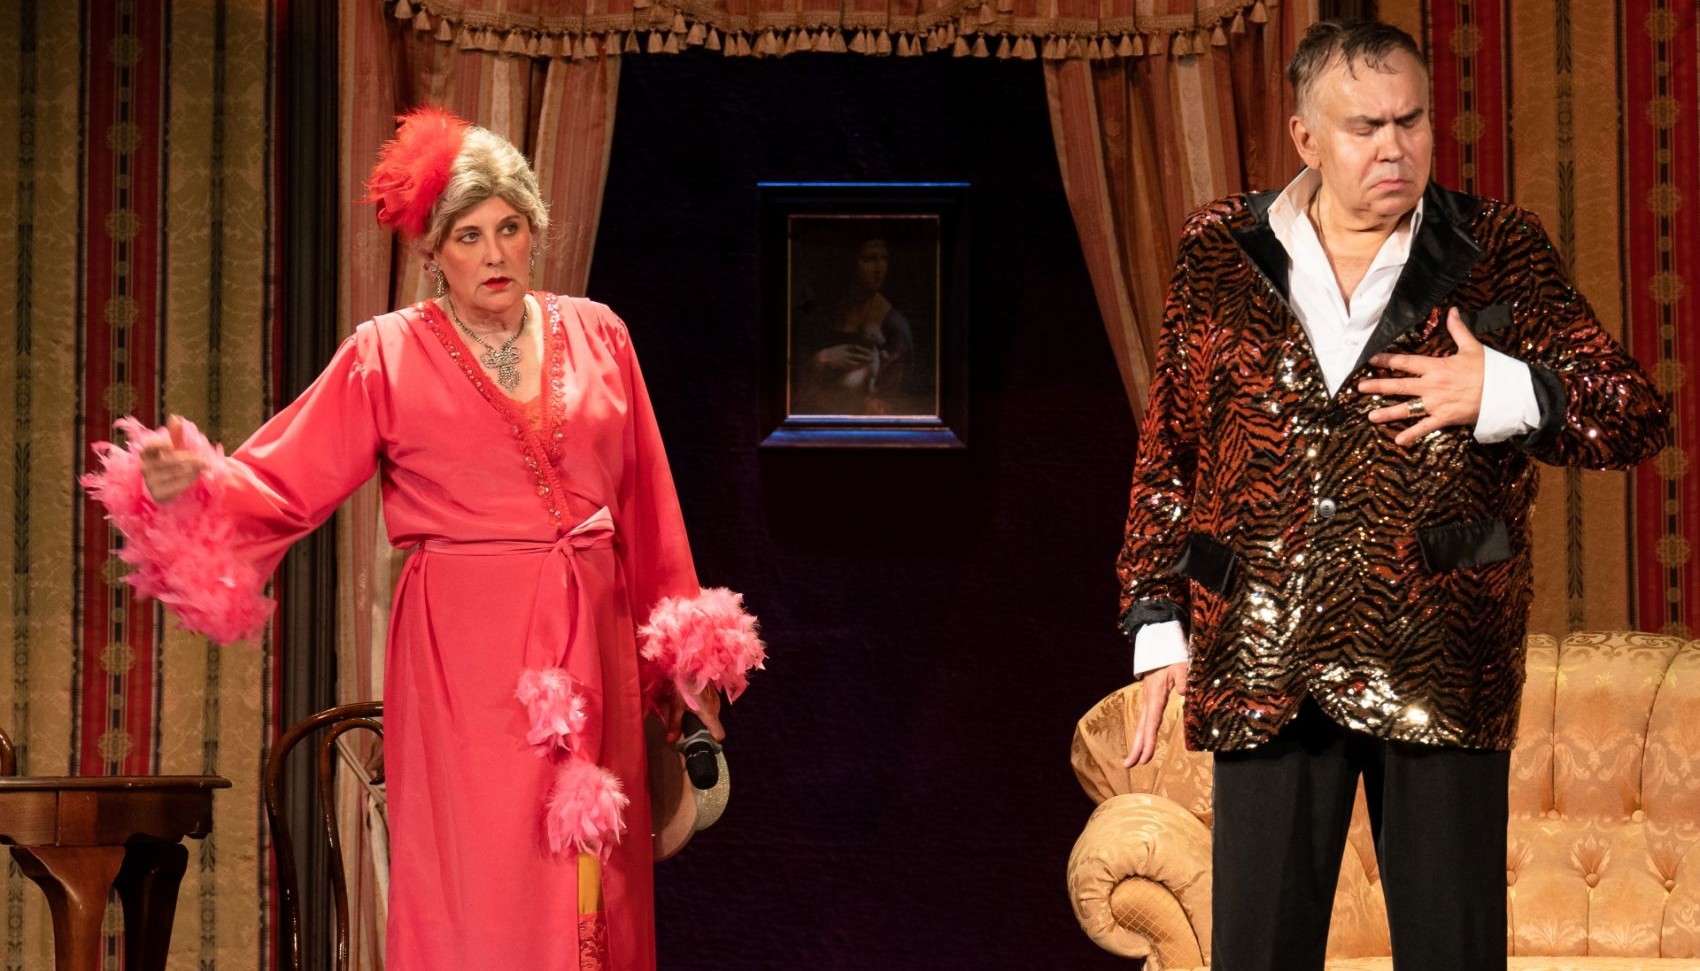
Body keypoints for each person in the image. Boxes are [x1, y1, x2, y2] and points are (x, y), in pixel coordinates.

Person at [81, 107, 764, 971]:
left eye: (509, 228)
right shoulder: (388, 354)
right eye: (469, 235)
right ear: (435, 252)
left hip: (594, 641)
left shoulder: (601, 335)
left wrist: (685, 669)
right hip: (466, 660)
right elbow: (288, 477)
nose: (494, 253)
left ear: (534, 231)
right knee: (485, 881)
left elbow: (650, 506)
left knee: (597, 879)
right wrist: (202, 483)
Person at [1114, 20, 1668, 971]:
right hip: (1264, 650)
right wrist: (1157, 621)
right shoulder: (1218, 248)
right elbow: (1171, 444)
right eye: (1365, 126)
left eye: (1411, 121)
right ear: (1305, 137)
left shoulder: (1497, 245)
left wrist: (1502, 390)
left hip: (1440, 653)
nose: (1394, 148)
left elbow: (1632, 415)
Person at [791, 235, 922, 416]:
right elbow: (794, 390)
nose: (879, 269)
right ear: (850, 262)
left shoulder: (894, 326)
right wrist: (821, 359)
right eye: (869, 259)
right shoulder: (825, 311)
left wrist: (873, 403)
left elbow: (897, 399)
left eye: (884, 259)